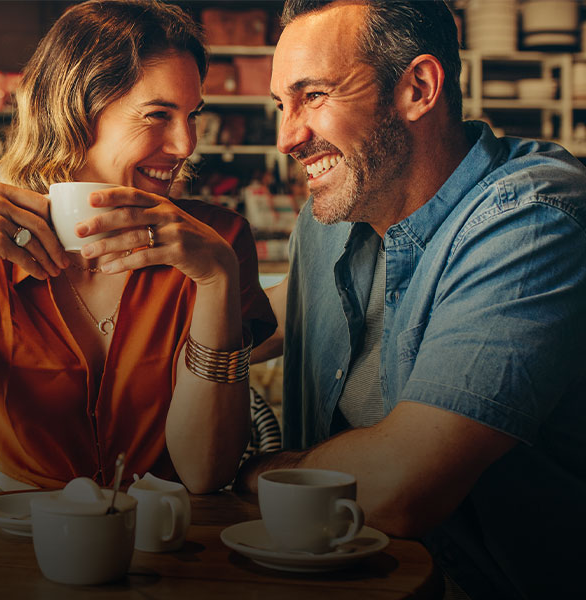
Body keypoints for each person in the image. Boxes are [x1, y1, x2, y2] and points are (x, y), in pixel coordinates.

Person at [239, 1, 586, 598]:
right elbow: (281, 310)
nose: (287, 137)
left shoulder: (532, 219)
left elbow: (401, 487)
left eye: (314, 96)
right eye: (281, 105)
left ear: (418, 88)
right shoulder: (334, 216)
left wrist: (251, 470)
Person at [0, 0, 275, 503]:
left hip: (172, 548)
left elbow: (205, 472)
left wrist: (218, 278)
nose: (186, 144)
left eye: (192, 115)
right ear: (75, 111)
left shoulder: (217, 243)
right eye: (158, 115)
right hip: (22, 539)